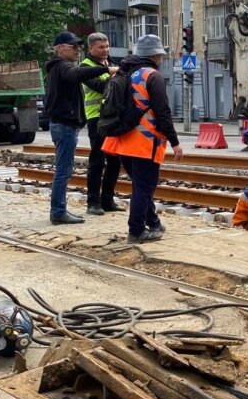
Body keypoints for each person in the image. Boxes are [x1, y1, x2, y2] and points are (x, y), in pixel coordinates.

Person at [103, 35, 182, 243]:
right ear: (156, 55)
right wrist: (175, 142)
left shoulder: (123, 71)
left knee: (141, 186)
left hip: (121, 140)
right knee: (143, 188)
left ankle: (153, 222)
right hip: (144, 142)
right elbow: (162, 111)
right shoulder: (151, 75)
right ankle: (136, 231)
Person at [44, 31, 118, 225]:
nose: (78, 49)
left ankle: (60, 210)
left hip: (66, 125)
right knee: (64, 170)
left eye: (78, 45)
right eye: (73, 46)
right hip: (65, 125)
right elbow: (76, 74)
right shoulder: (62, 67)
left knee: (65, 169)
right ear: (59, 49)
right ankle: (59, 212)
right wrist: (106, 71)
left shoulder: (59, 68)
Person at [81, 32, 122, 216]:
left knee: (115, 161)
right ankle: (93, 203)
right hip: (96, 118)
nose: (105, 50)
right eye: (101, 47)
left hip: (113, 117)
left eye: (107, 46)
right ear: (91, 48)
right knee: (97, 161)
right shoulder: (85, 66)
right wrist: (114, 78)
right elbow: (99, 86)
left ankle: (107, 200)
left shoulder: (111, 63)